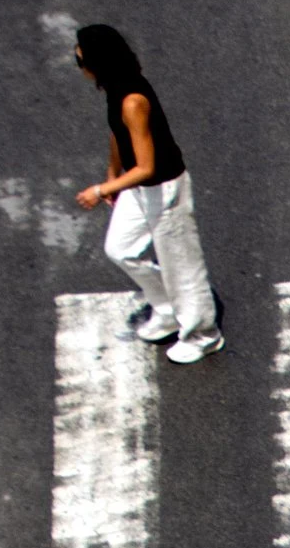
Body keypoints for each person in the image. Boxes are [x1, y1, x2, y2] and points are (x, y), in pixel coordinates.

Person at [72, 23, 222, 363]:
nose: (79, 66)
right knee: (120, 249)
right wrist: (112, 172)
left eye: (80, 61)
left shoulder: (133, 101)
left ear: (98, 62)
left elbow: (147, 167)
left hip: (165, 189)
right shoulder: (114, 87)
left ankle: (202, 334)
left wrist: (101, 189)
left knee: (182, 265)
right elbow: (118, 134)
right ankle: (168, 308)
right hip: (139, 189)